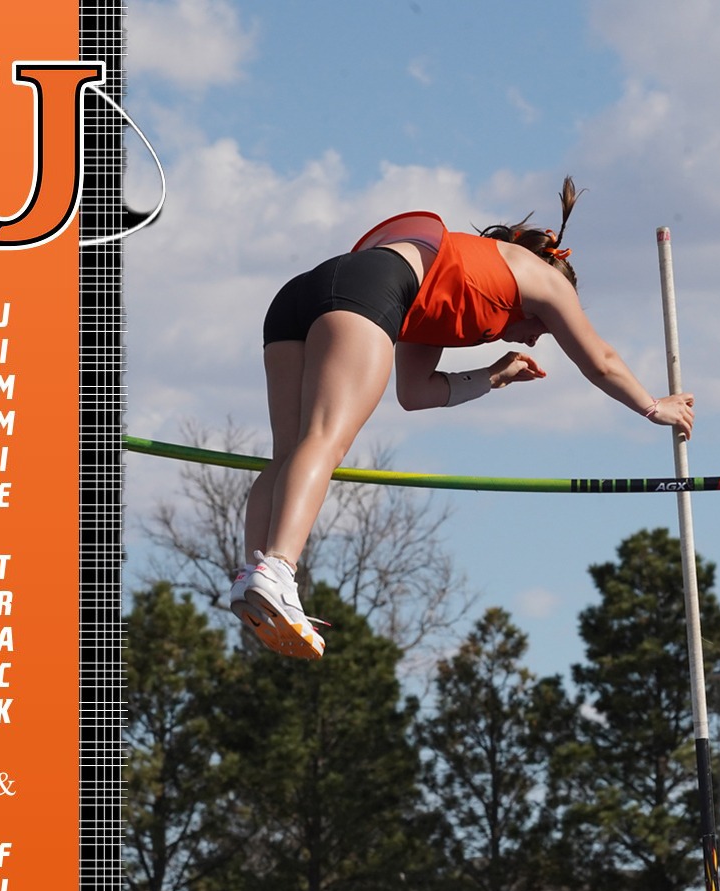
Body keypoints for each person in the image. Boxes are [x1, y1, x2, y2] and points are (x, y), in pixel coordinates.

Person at [230, 179, 696, 659]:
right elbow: (599, 359)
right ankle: (279, 569)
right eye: (545, 327)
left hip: (300, 296)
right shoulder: (544, 279)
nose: (539, 339)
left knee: (289, 452)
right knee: (325, 439)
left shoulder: (449, 289)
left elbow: (414, 394)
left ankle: (252, 577)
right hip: (362, 289)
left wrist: (492, 376)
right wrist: (652, 406)